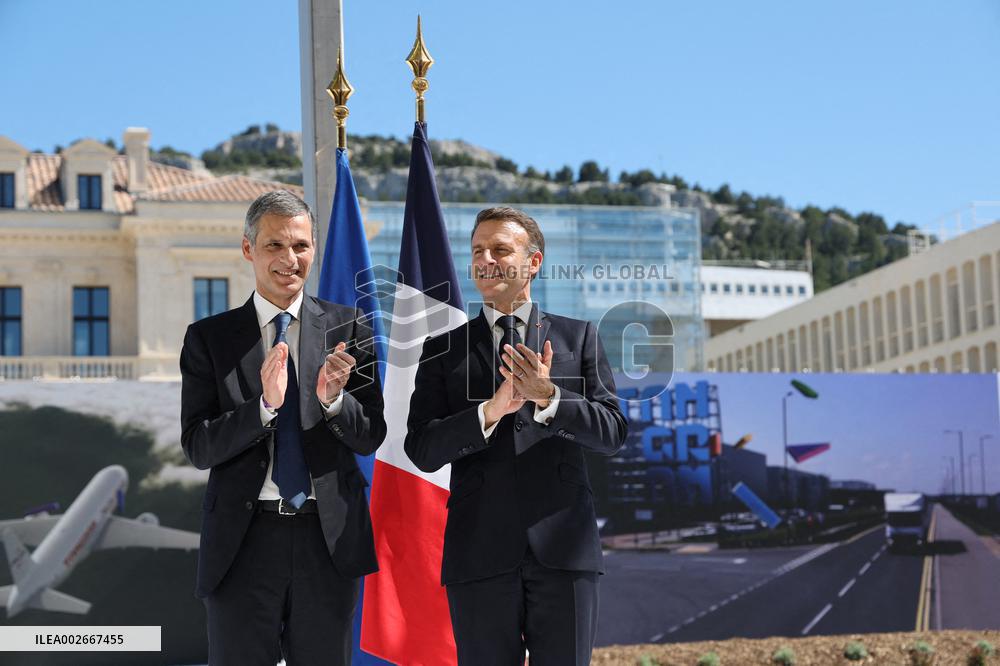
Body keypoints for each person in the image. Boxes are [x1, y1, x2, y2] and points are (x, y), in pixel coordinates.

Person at [404, 206, 628, 665]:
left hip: (564, 554)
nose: (486, 259)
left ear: (534, 263)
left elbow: (612, 433)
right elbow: (422, 448)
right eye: (478, 250)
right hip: (478, 555)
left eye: (501, 249)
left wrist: (548, 397)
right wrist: (489, 411)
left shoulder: (578, 338)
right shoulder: (442, 349)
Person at [179, 190, 386, 666]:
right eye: (274, 245)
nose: (289, 259)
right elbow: (199, 446)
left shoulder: (349, 327)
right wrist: (264, 408)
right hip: (242, 542)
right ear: (248, 249)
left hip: (326, 542)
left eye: (300, 246)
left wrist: (334, 401)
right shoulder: (210, 338)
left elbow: (370, 433)